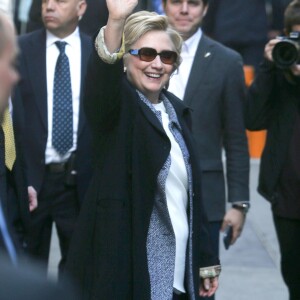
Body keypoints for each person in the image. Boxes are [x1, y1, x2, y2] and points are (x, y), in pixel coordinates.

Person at [65, 0, 221, 298]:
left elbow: (188, 198)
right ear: (125, 58)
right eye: (146, 53)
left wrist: (206, 259)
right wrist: (116, 19)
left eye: (167, 56)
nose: (157, 63)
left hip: (179, 273)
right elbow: (101, 83)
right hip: (126, 274)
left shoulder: (177, 113)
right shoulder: (117, 107)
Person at [163, 0, 249, 294]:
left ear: (206, 8)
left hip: (206, 200)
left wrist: (239, 203)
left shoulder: (227, 61)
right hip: (152, 193)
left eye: (194, 3)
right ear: (163, 5)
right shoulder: (144, 55)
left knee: (203, 286)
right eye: (176, 1)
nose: (184, 10)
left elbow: (236, 136)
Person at [12, 0, 93, 276]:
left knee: (78, 272)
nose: (49, 6)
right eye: (45, 1)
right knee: (27, 270)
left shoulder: (96, 52)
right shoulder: (20, 49)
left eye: (60, 1)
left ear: (81, 8)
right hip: (32, 182)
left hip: (77, 181)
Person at [245, 1, 300, 299]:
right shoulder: (278, 75)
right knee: (293, 276)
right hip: (287, 198)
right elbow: (252, 121)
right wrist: (269, 66)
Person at [202, 0, 289, 72]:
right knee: (254, 78)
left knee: (225, 74)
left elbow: (212, 5)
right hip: (254, 32)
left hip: (227, 31)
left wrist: (208, 29)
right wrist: (278, 26)